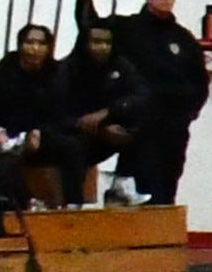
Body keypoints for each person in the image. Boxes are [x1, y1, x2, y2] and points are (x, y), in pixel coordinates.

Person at [77, 0, 208, 205]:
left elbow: (200, 81)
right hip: (136, 121)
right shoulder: (126, 27)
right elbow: (91, 29)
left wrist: (189, 113)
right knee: (142, 183)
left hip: (173, 125)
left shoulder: (183, 38)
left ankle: (165, 223)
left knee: (168, 181)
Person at [59, 21, 151, 207]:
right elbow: (56, 112)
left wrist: (109, 113)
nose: (102, 47)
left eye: (107, 42)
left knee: (143, 125)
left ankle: (122, 184)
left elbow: (141, 95)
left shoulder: (120, 65)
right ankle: (73, 203)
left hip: (106, 130)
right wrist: (96, 127)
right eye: (96, 42)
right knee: (71, 146)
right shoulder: (66, 69)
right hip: (72, 134)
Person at [0, 24, 80, 207]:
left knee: (72, 146)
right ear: (20, 45)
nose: (35, 48)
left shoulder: (58, 73)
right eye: (30, 42)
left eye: (41, 43)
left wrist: (38, 131)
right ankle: (19, 203)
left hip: (42, 134)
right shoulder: (4, 71)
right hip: (8, 134)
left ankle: (73, 203)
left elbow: (62, 114)